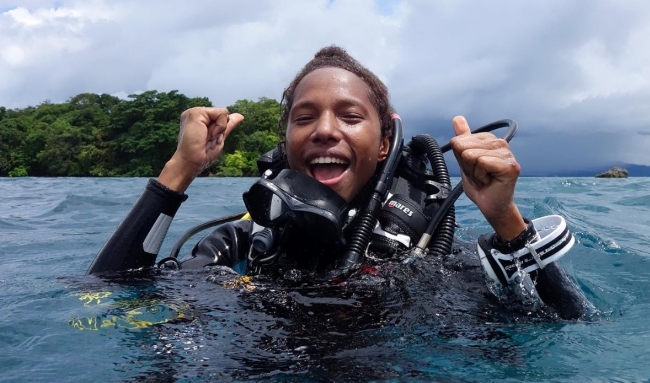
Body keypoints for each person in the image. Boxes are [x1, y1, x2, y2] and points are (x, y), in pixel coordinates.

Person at [88, 46, 592, 319]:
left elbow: (567, 327)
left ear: (382, 142)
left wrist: (505, 221)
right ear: (286, 142)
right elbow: (110, 293)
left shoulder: (423, 250)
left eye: (350, 116)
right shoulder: (244, 243)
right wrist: (181, 169)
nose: (326, 129)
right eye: (304, 117)